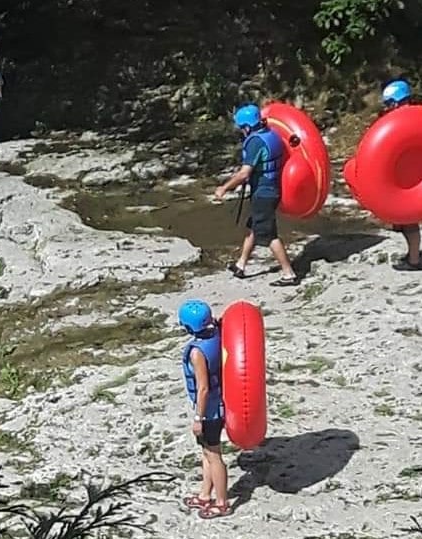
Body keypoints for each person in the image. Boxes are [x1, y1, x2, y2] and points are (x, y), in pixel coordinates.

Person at [214, 103, 299, 287]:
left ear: (246, 126)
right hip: (272, 189)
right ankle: (241, 265)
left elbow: (244, 173)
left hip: (264, 192)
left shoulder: (255, 142)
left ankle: (289, 274)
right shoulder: (271, 134)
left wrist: (224, 187)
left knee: (268, 235)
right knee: (254, 226)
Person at [177, 299, 232, 520]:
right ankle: (204, 495)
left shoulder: (197, 353)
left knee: (214, 454)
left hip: (210, 411)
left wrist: (198, 418)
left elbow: (203, 388)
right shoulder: (216, 335)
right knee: (207, 453)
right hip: (217, 405)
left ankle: (222, 502)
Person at [379, 79, 422, 271]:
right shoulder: (400, 118)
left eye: (388, 103)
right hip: (399, 173)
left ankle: (414, 260)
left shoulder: (411, 119)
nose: (387, 108)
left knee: (410, 218)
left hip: (409, 176)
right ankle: (412, 254)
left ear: (396, 101)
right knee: (401, 220)